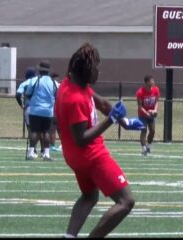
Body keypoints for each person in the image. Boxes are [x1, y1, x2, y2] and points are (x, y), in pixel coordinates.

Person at [56, 42, 141, 238]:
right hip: (90, 156)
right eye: (96, 67)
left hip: (75, 157)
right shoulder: (74, 98)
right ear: (87, 70)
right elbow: (82, 139)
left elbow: (101, 102)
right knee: (126, 201)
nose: (98, 71)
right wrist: (111, 120)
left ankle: (68, 237)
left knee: (89, 196)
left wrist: (125, 121)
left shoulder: (72, 83)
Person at [25, 60, 58, 161]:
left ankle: (31, 153)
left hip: (35, 110)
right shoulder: (54, 82)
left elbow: (28, 93)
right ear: (49, 71)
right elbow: (57, 95)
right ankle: (46, 154)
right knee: (46, 132)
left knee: (34, 131)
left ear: (39, 70)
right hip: (48, 111)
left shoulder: (34, 80)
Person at [15, 67, 40, 158]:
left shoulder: (24, 83)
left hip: (29, 108)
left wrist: (22, 105)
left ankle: (33, 150)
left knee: (31, 130)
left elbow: (17, 95)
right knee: (41, 130)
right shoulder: (39, 81)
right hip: (40, 107)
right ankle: (43, 150)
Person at [135, 75, 160, 156]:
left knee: (152, 131)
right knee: (144, 130)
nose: (153, 82)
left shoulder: (156, 90)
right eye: (151, 80)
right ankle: (144, 149)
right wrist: (146, 113)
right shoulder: (140, 92)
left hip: (151, 114)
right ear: (146, 82)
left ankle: (148, 146)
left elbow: (156, 102)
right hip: (142, 114)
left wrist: (155, 110)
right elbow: (140, 106)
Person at [49, 72, 62, 152]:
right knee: (59, 129)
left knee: (53, 128)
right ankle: (63, 144)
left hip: (53, 109)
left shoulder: (50, 85)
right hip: (59, 109)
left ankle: (52, 145)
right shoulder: (59, 85)